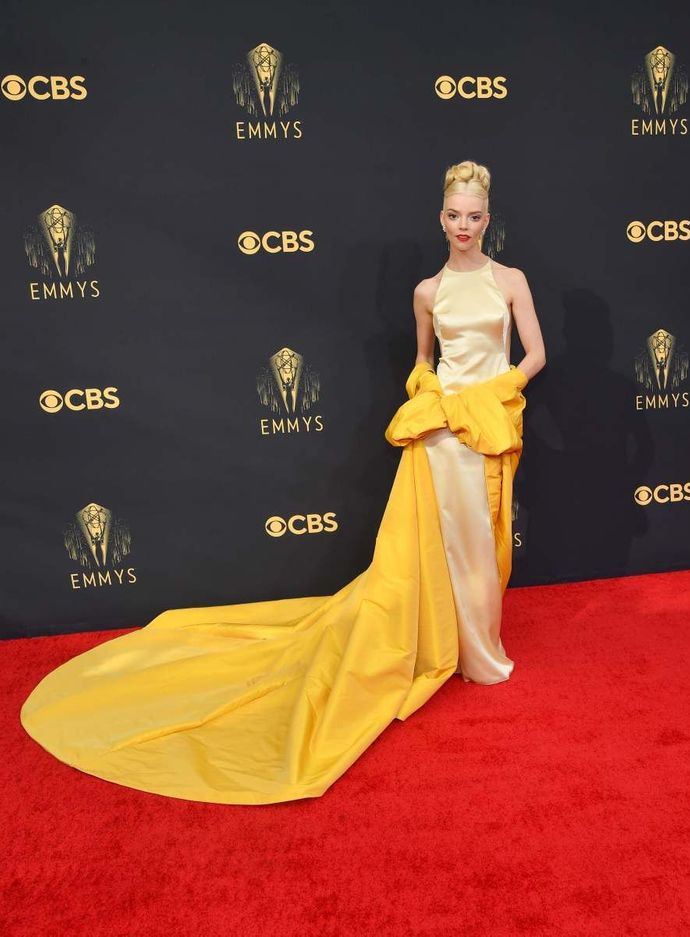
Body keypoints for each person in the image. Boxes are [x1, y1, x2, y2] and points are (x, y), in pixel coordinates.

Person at [20, 159, 546, 805]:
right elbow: (422, 359)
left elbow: (535, 355)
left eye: (475, 216)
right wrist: (431, 392)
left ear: (488, 219)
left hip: (487, 426)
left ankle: (479, 650)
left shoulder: (510, 281)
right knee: (437, 545)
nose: (464, 226)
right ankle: (440, 646)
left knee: (481, 540)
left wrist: (495, 393)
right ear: (441, 218)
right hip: (437, 434)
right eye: (454, 215)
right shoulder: (427, 291)